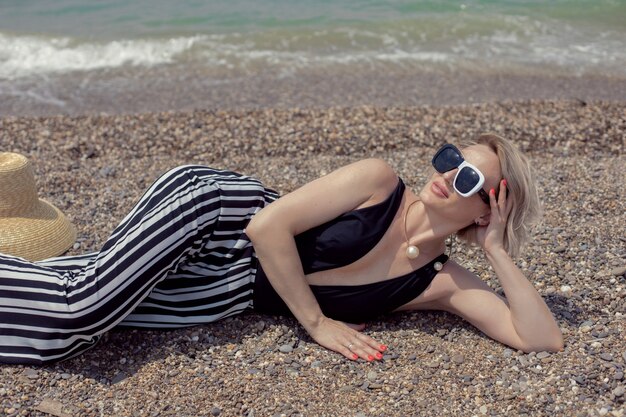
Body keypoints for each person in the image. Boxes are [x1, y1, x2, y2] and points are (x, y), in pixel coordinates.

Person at [0, 134, 563, 365]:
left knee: (86, 314)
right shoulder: (379, 180)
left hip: (227, 292)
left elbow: (539, 340)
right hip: (219, 217)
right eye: (450, 160)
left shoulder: (438, 283)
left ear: (488, 210)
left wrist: (496, 249)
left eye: (468, 181)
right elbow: (267, 227)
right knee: (83, 306)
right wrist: (316, 323)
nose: (448, 176)